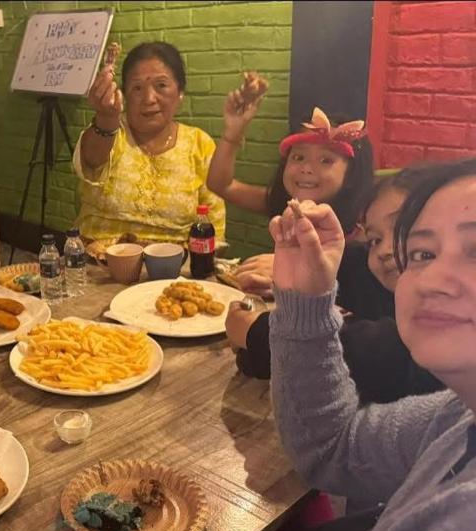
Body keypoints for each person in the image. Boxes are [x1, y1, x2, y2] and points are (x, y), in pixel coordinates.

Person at [267, 158, 476, 531]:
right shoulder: (454, 417)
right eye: (421, 253)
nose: (434, 279)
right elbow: (333, 447)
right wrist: (305, 300)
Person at [227, 166, 442, 405]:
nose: (383, 250)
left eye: (405, 227)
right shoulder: (378, 276)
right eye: (375, 240)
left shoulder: (447, 334)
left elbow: (367, 356)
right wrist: (305, 270)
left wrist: (255, 332)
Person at [209, 83, 374, 296]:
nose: (306, 168)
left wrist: (291, 269)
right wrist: (233, 131)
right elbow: (221, 185)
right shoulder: (284, 204)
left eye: (325, 160)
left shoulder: (364, 229)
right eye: (298, 157)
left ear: (351, 174)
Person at [73, 41, 225, 251]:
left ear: (180, 92)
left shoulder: (200, 144)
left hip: (173, 270)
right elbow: (90, 158)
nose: (148, 98)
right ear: (125, 94)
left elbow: (213, 227)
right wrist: (106, 118)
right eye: (137, 88)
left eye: (161, 85)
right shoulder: (110, 132)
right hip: (99, 264)